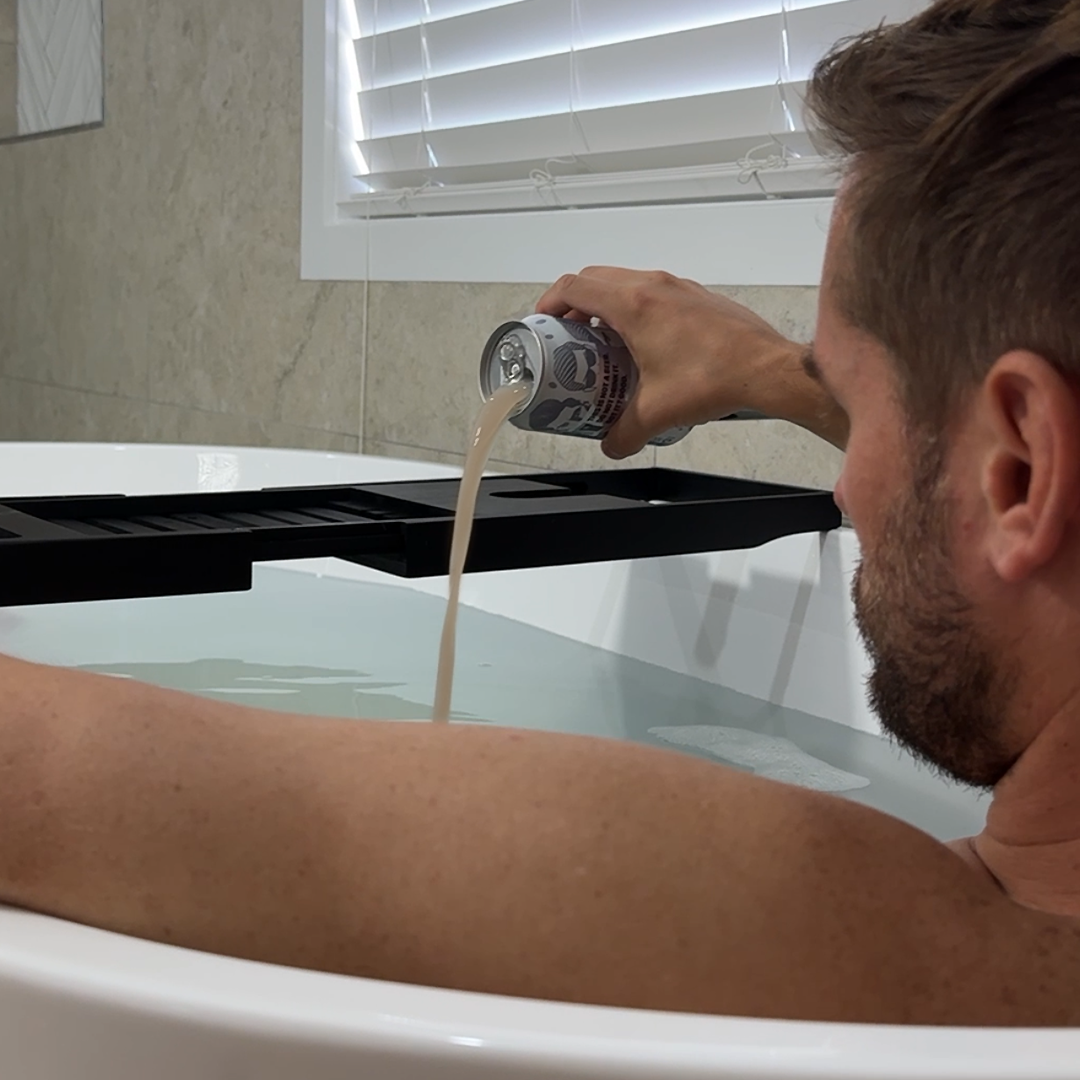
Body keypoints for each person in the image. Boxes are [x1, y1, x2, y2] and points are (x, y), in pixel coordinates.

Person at [2, 0, 1080, 1025]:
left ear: (1022, 470)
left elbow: (38, 771)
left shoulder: (934, 949)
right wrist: (769, 369)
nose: (844, 487)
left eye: (849, 402)